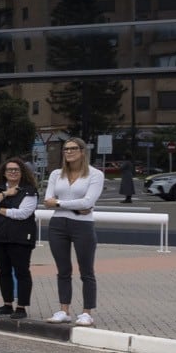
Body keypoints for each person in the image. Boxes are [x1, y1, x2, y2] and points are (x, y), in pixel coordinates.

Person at [43, 137, 104, 326]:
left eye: (73, 148)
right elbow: (47, 201)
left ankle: (87, 312)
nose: (68, 152)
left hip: (83, 225)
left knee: (86, 270)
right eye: (66, 149)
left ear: (82, 151)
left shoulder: (95, 174)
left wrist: (60, 203)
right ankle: (64, 310)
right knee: (63, 270)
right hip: (58, 224)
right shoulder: (56, 174)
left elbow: (88, 203)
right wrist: (74, 207)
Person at [0, 157, 39, 318]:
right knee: (3, 271)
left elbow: (22, 214)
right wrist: (5, 194)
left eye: (16, 170)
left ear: (22, 172)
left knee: (22, 272)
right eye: (9, 170)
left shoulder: (30, 191)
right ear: (4, 173)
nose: (12, 172)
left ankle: (21, 307)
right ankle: (7, 305)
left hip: (20, 238)